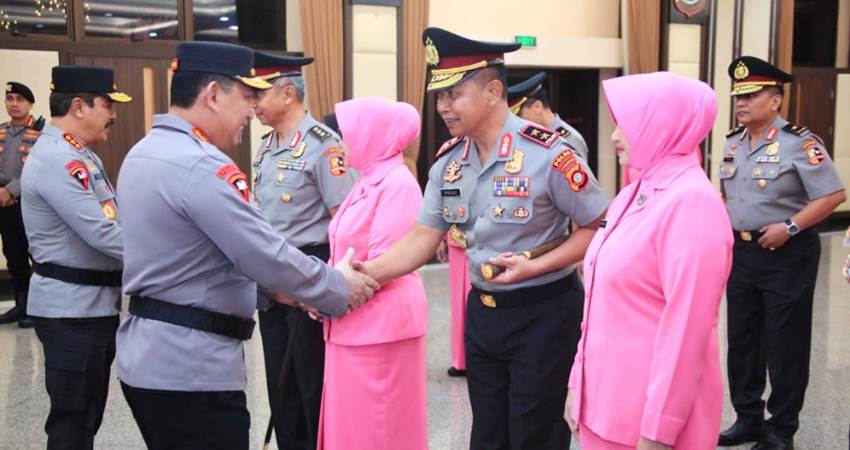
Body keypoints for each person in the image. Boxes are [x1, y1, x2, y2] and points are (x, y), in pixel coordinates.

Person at [114, 41, 378, 450]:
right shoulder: (201, 164)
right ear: (213, 95)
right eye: (246, 96)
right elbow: (260, 252)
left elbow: (202, 256)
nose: (251, 110)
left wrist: (287, 291)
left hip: (151, 358)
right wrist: (338, 287)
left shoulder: (143, 152)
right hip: (192, 366)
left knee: (309, 388)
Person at [356, 27, 610, 449]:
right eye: (439, 95)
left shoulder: (549, 154)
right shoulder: (449, 163)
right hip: (484, 314)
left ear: (493, 92)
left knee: (534, 435)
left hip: (544, 314)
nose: (443, 106)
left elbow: (597, 225)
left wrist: (536, 265)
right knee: (488, 436)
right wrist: (365, 272)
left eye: (454, 94)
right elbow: (422, 236)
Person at [565, 71, 732, 450]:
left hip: (647, 424)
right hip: (604, 405)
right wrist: (578, 383)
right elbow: (597, 304)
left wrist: (658, 431)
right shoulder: (633, 193)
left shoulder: (691, 203)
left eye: (626, 124)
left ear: (663, 125)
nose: (614, 136)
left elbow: (686, 331)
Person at [718, 56, 846, 450]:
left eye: (751, 95)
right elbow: (729, 196)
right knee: (743, 341)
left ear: (775, 100)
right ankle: (747, 419)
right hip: (742, 254)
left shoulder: (800, 143)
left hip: (787, 255)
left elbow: (833, 194)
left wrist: (789, 227)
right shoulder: (732, 142)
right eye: (738, 96)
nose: (741, 103)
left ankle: (781, 429)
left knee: (785, 343)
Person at [21, 65, 131, 449]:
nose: (113, 114)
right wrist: (169, 259)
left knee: (85, 420)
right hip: (72, 313)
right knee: (72, 427)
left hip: (90, 308)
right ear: (79, 107)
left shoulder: (78, 152)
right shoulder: (58, 158)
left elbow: (112, 220)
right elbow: (102, 232)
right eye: (107, 104)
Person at [251, 51, 355, 450]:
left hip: (309, 273)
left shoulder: (324, 147)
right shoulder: (267, 146)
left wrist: (329, 285)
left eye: (260, 93)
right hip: (270, 279)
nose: (253, 103)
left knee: (312, 385)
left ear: (288, 94)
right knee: (280, 387)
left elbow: (345, 222)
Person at [316, 96, 428, 450]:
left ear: (371, 135)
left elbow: (385, 263)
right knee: (353, 427)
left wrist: (327, 293)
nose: (340, 144)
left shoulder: (398, 184)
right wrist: (322, 293)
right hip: (350, 320)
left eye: (346, 135)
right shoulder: (366, 179)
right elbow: (343, 249)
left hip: (380, 329)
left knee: (378, 430)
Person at [0, 81, 43, 327]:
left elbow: (36, 168)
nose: (14, 104)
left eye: (20, 99)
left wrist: (11, 190)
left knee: (35, 253)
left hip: (29, 201)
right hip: (4, 203)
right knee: (13, 253)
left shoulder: (41, 133)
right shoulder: (1, 131)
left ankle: (37, 309)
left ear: (30, 104)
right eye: (10, 98)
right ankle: (21, 304)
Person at [507, 72, 589, 161]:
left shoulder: (569, 139)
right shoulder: (532, 136)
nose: (517, 120)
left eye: (519, 115)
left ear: (537, 107)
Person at [435, 222, 471, 377]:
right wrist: (440, 238)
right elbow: (441, 209)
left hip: (487, 238)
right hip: (457, 236)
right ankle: (460, 361)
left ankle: (483, 359)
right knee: (458, 303)